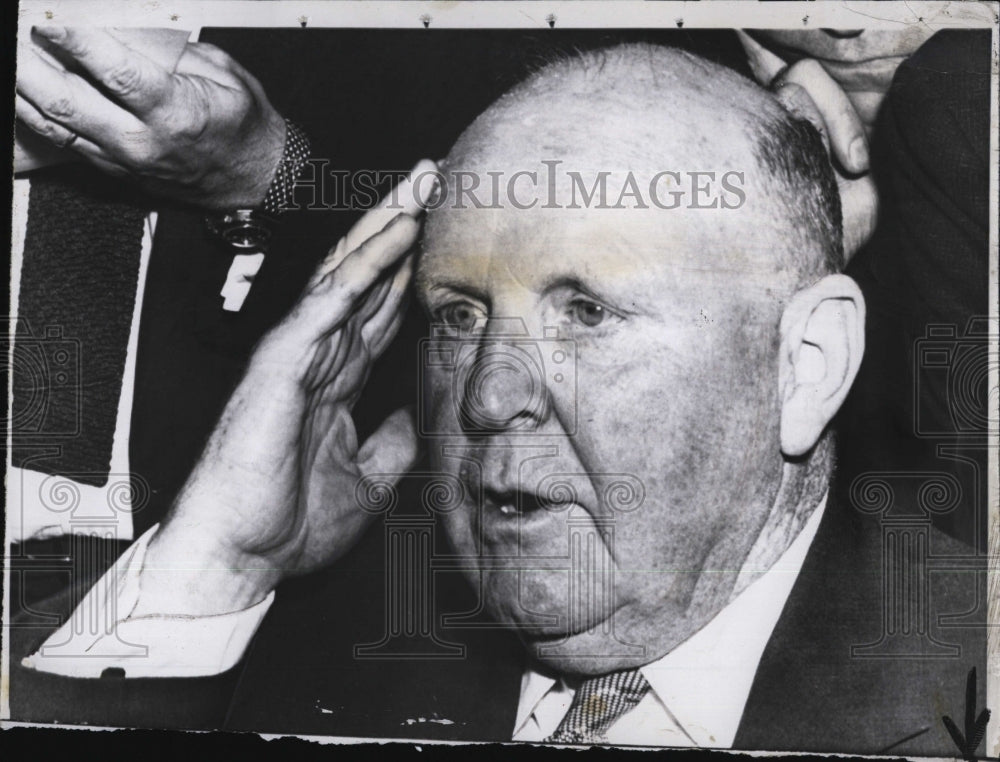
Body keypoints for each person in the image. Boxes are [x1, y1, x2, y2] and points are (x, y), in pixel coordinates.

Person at [9, 42, 985, 755]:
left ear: (805, 363)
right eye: (461, 316)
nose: (488, 394)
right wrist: (217, 561)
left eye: (586, 311)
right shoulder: (314, 658)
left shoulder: (965, 689)